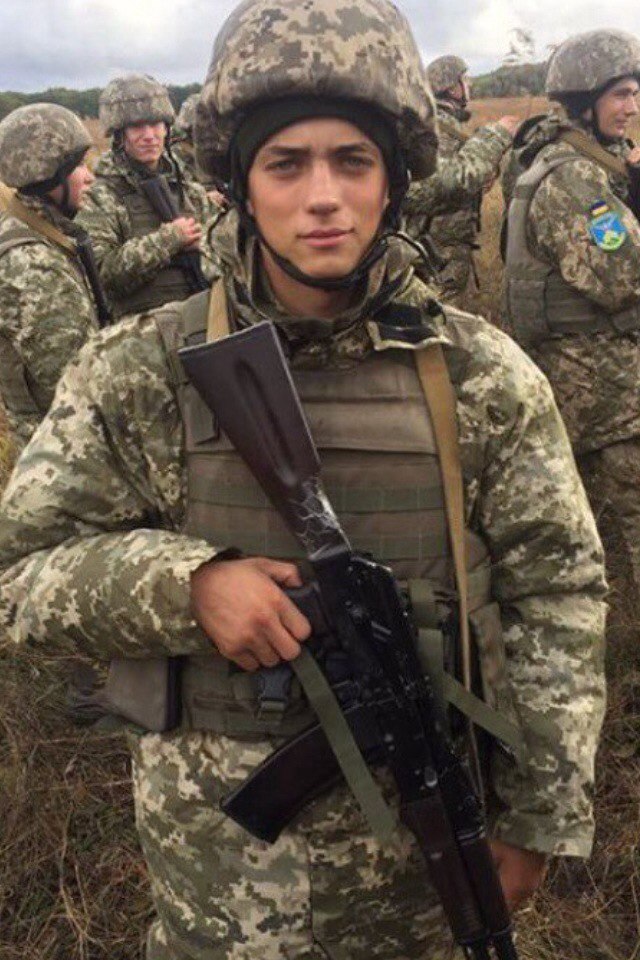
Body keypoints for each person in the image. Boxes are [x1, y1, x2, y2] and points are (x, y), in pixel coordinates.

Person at [0, 1, 606, 957]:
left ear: (394, 180)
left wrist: (540, 817)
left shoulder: (481, 376)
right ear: (240, 184)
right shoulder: (137, 370)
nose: (323, 196)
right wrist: (188, 587)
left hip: (422, 880)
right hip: (218, 883)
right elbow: (19, 574)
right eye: (286, 164)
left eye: (352, 161)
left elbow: (558, 590)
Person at [503, 29, 640, 589]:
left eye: (636, 93)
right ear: (585, 101)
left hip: (583, 375)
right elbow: (624, 279)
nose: (633, 107)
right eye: (621, 94)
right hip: (603, 387)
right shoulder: (574, 178)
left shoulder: (573, 161)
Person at [0, 103, 107, 453]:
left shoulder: (35, 231)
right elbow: (80, 382)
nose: (89, 176)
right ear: (47, 178)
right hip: (63, 450)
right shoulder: (34, 265)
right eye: (77, 166)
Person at [76, 73, 220, 319]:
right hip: (139, 331)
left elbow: (231, 254)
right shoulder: (101, 196)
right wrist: (169, 239)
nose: (149, 135)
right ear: (119, 134)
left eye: (156, 125)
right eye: (137, 127)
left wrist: (204, 246)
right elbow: (101, 276)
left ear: (167, 128)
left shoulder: (190, 191)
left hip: (205, 319)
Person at [403, 56, 518, 298]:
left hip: (437, 252)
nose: (470, 85)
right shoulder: (436, 129)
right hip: (434, 257)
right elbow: (445, 182)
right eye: (465, 80)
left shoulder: (438, 125)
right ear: (453, 88)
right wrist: (498, 135)